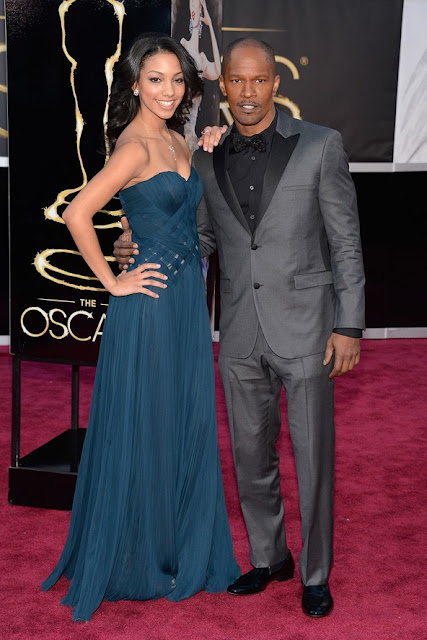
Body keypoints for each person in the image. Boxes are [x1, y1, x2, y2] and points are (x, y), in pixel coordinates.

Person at [114, 37, 366, 618]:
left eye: (258, 80)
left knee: (312, 459)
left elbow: (346, 242)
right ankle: (269, 557)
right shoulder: (207, 156)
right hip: (239, 332)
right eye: (236, 81)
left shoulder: (320, 145)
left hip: (308, 330)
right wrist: (141, 247)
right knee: (251, 457)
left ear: (275, 83)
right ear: (223, 87)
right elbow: (202, 237)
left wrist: (349, 325)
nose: (247, 92)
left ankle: (316, 573)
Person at [41, 32, 240, 622]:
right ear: (134, 84)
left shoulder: (176, 138)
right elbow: (77, 212)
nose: (168, 90)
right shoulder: (132, 146)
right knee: (149, 420)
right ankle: (143, 553)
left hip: (186, 301)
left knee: (182, 417)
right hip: (149, 304)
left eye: (177, 80)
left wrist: (207, 145)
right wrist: (112, 281)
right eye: (156, 80)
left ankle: (176, 545)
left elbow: (179, 207)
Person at [179, 0, 222, 153]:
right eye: (191, 5)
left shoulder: (202, 59)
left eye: (197, 5)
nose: (193, 10)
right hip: (179, 137)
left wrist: (210, 26)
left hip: (194, 140)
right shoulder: (182, 45)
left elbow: (217, 71)